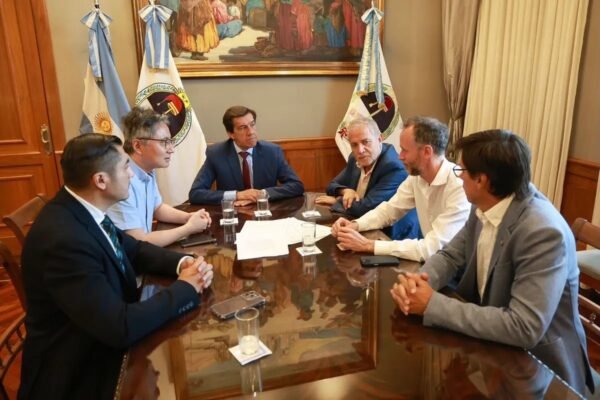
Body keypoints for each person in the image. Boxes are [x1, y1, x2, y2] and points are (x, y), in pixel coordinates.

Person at [391, 130, 594, 395]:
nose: (458, 176)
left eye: (462, 170)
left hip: (540, 370)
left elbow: (524, 327)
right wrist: (418, 282)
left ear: (481, 180)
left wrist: (432, 304)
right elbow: (451, 255)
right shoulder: (486, 203)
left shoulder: (543, 232)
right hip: (491, 350)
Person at [18, 134, 214, 400]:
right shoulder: (65, 241)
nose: (131, 175)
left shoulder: (83, 208)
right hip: (79, 371)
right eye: (125, 167)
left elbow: (134, 249)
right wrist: (186, 288)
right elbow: (120, 327)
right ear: (101, 180)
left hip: (99, 336)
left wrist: (182, 262)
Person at [332, 116, 470, 262]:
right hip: (432, 263)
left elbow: (431, 249)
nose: (400, 157)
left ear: (427, 152)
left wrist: (368, 245)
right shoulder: (416, 178)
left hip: (455, 270)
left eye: (404, 150)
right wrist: (355, 225)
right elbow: (389, 211)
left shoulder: (460, 186)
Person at [108, 107, 211, 247]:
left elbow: (157, 208)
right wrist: (189, 228)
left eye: (170, 141)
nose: (171, 149)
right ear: (138, 146)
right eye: (164, 142)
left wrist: (188, 217)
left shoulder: (147, 170)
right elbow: (138, 242)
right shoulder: (121, 182)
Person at [316, 117, 420, 240]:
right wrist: (345, 191)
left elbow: (366, 208)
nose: (360, 150)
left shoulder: (394, 167)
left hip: (394, 236)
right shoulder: (355, 158)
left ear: (379, 139)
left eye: (366, 142)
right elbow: (332, 185)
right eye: (354, 145)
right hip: (363, 225)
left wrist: (337, 201)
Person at [189, 105, 304, 205]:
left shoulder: (272, 152)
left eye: (252, 125)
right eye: (243, 128)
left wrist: (261, 194)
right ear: (231, 134)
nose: (251, 132)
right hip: (233, 215)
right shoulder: (216, 154)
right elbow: (196, 193)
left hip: (265, 212)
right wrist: (237, 195)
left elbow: (296, 185)